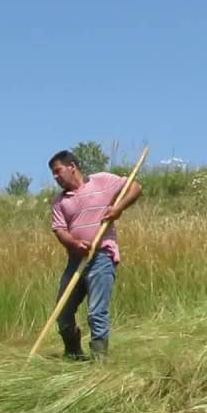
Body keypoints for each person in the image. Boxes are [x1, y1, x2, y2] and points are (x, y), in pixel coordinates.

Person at [47, 149, 143, 360]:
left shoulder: (103, 181)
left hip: (101, 257)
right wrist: (73, 243)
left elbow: (135, 187)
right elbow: (60, 230)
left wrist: (118, 209)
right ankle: (73, 354)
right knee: (62, 313)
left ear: (72, 166)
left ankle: (99, 361)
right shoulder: (60, 202)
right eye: (53, 174)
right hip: (76, 260)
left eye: (58, 171)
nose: (55, 177)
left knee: (96, 312)